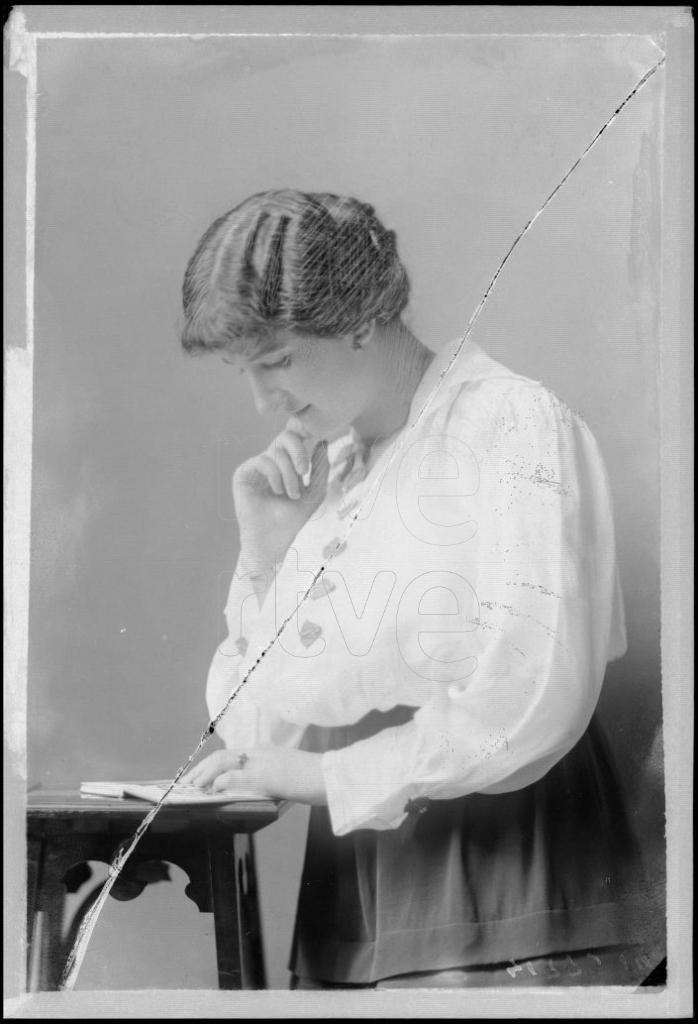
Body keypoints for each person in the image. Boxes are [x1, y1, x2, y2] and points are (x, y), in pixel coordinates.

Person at [181, 189, 655, 988]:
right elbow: (257, 732)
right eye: (245, 372)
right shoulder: (327, 471)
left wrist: (330, 779)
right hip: (355, 892)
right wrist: (268, 557)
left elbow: (531, 696)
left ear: (361, 318)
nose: (264, 402)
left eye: (277, 362)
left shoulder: (513, 426)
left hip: (508, 876)